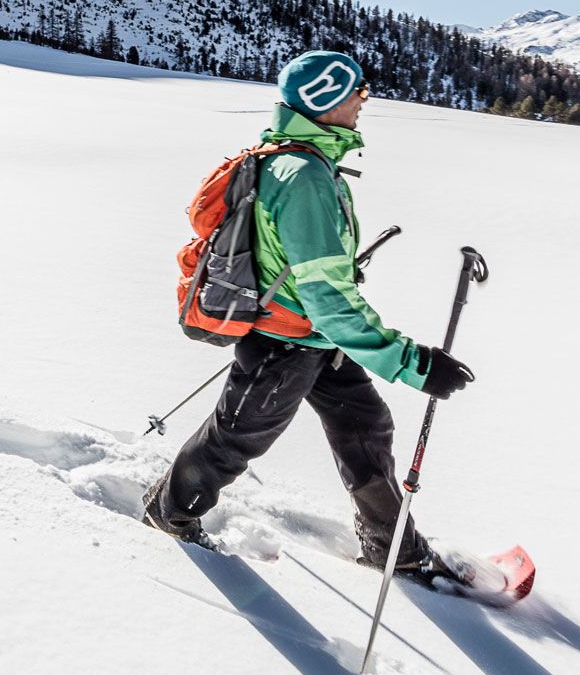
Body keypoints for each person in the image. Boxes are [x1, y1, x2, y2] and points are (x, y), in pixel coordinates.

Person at [143, 50, 477, 577]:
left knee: (366, 426)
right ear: (327, 99)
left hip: (316, 337)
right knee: (237, 437)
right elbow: (327, 297)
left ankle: (397, 551)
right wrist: (413, 363)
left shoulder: (301, 161)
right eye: (356, 93)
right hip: (286, 340)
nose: (364, 101)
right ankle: (168, 516)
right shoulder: (303, 176)